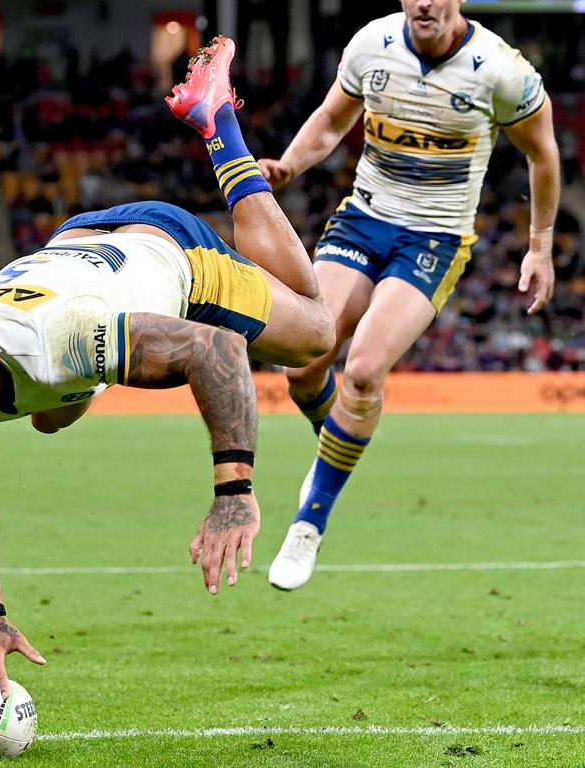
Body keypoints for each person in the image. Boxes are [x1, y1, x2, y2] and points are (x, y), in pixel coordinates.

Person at [0, 52, 336, 713]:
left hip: (172, 255)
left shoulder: (57, 341)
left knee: (316, 330)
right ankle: (69, 398)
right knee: (48, 415)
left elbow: (217, 351)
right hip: (81, 250)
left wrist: (234, 490)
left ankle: (219, 123)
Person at [248, 0, 560, 590]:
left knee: (363, 371)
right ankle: (332, 457)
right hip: (363, 220)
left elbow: (542, 153)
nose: (423, 3)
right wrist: (289, 165)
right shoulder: (372, 44)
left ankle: (310, 519)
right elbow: (332, 119)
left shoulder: (500, 70)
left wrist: (539, 246)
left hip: (434, 238)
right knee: (303, 362)